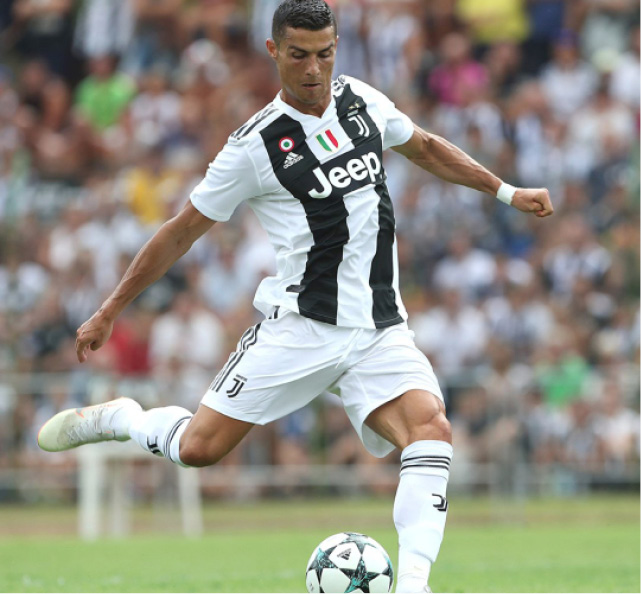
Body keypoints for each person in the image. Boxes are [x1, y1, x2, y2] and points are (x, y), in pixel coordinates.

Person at [37, 1, 553, 591]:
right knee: (200, 449)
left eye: (325, 53)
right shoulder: (254, 146)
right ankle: (124, 419)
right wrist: (110, 309)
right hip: (300, 326)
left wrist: (507, 192)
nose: (314, 69)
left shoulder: (363, 100)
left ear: (337, 48)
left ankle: (414, 584)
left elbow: (427, 147)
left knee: (430, 429)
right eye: (300, 55)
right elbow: (181, 229)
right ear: (274, 52)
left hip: (379, 327)